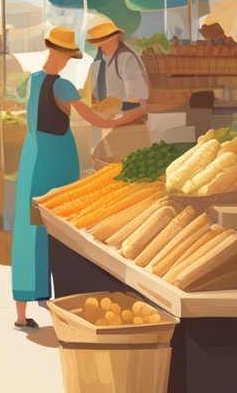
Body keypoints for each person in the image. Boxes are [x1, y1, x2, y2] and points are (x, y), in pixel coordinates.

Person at [13, 28, 145, 330]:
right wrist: (134, 114)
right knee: (63, 227)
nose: (67, 62)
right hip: (55, 159)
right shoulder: (63, 87)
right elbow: (100, 120)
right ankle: (65, 304)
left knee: (28, 229)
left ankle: (22, 313)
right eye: (68, 57)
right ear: (60, 54)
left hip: (32, 155)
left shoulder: (33, 80)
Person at [86, 21, 149, 111]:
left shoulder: (127, 59)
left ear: (115, 37)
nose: (102, 44)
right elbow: (94, 94)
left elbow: (137, 98)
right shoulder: (97, 62)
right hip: (103, 114)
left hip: (126, 114)